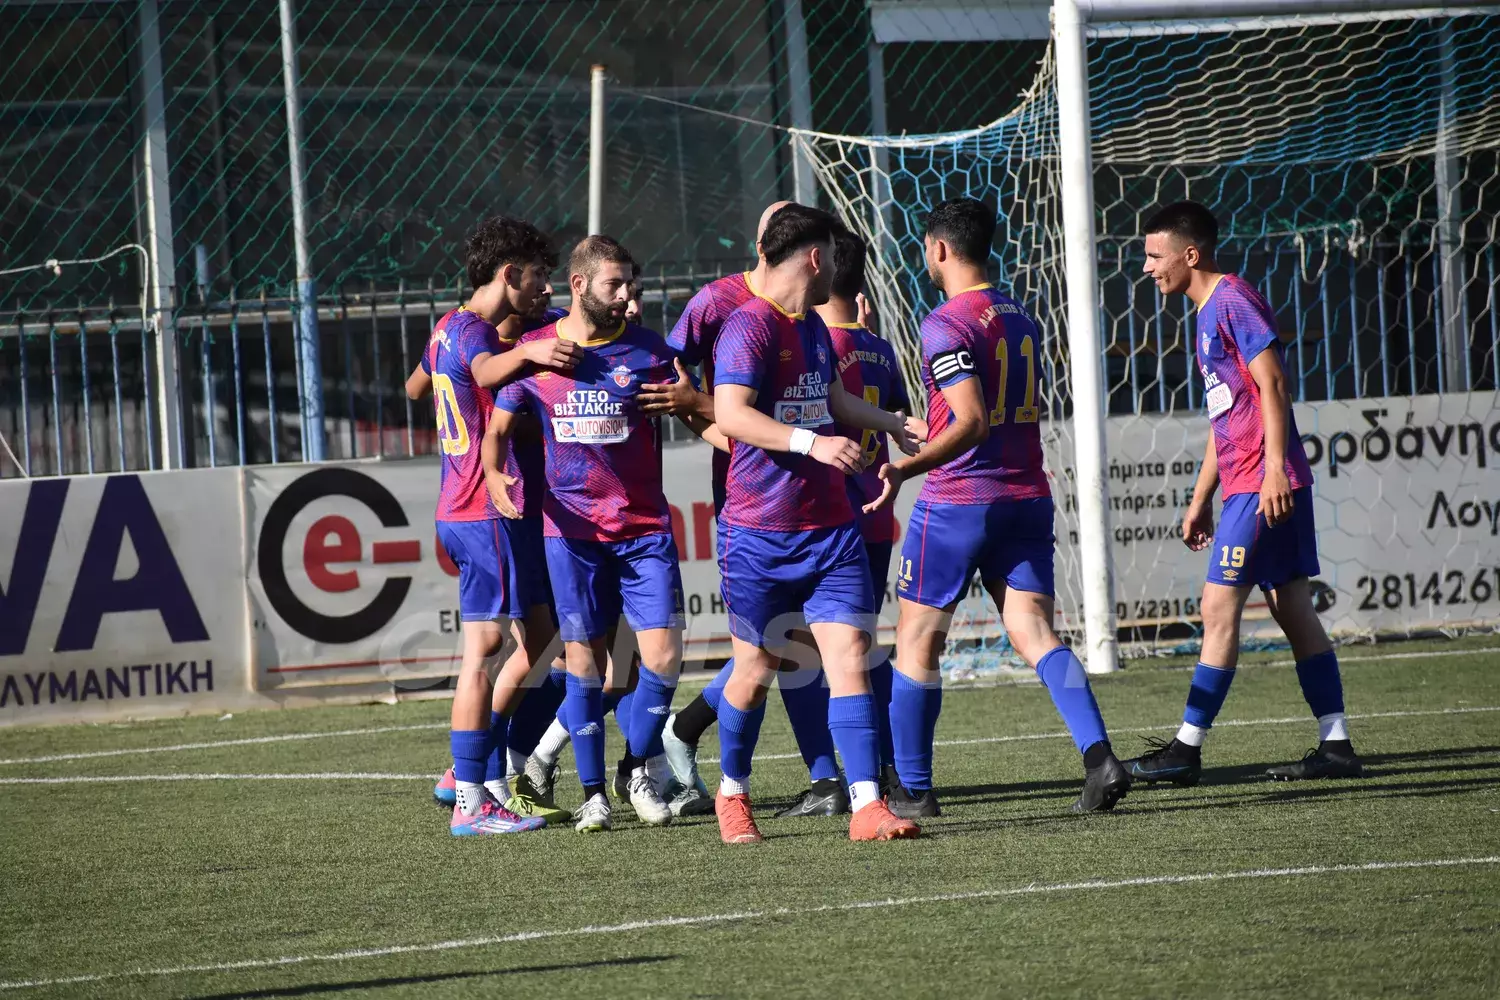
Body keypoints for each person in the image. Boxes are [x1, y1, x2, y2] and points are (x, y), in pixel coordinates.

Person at [867, 197, 1128, 817]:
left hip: (959, 501)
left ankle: (914, 789)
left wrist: (905, 467)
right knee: (1034, 631)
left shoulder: (945, 323)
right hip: (1026, 495)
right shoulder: (1020, 316)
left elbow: (972, 421)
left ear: (939, 249)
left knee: (917, 641)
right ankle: (1099, 758)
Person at [1127, 201, 1362, 784]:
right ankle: (1336, 744)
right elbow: (1227, 417)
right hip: (1249, 483)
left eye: (1155, 256)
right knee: (1290, 606)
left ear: (1190, 254)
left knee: (1218, 607)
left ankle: (1185, 749)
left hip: (1263, 483)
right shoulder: (1205, 313)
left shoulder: (1232, 299)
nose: (1148, 267)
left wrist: (1275, 469)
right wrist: (1200, 497)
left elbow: (1274, 383)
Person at [709, 204, 923, 844]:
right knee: (756, 671)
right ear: (813, 257)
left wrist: (891, 423)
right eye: (832, 252)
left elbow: (832, 399)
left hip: (830, 530)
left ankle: (866, 805)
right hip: (758, 533)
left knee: (850, 655)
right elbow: (731, 414)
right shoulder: (747, 326)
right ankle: (732, 792)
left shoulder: (812, 328)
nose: (837, 264)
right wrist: (812, 443)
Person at [492, 235, 717, 832]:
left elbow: (701, 415)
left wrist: (721, 419)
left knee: (662, 659)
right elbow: (497, 427)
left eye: (629, 284)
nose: (627, 295)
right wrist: (492, 474)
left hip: (643, 531)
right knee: (586, 666)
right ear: (579, 285)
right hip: (571, 534)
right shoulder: (540, 352)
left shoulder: (649, 351)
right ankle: (594, 794)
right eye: (614, 284)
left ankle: (635, 767)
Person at [641, 202, 854, 819]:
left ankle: (832, 780)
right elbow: (675, 385)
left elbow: (825, 397)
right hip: (753, 497)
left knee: (815, 644)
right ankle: (716, 764)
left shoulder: (811, 316)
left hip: (823, 493)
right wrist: (714, 425)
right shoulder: (719, 304)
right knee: (770, 652)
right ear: (769, 245)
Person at [410, 215, 581, 835]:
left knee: (540, 639)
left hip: (463, 507)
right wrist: (529, 352)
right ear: (508, 273)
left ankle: (467, 773)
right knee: (484, 652)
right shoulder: (477, 334)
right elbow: (483, 373)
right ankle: (469, 797)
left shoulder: (448, 327)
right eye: (537, 276)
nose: (545, 288)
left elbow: (417, 387)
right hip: (484, 508)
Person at [811, 226, 916, 811]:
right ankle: (890, 769)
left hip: (829, 520)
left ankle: (843, 777)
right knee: (861, 646)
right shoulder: (880, 347)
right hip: (876, 515)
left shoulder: (815, 343)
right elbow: (900, 417)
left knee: (790, 646)